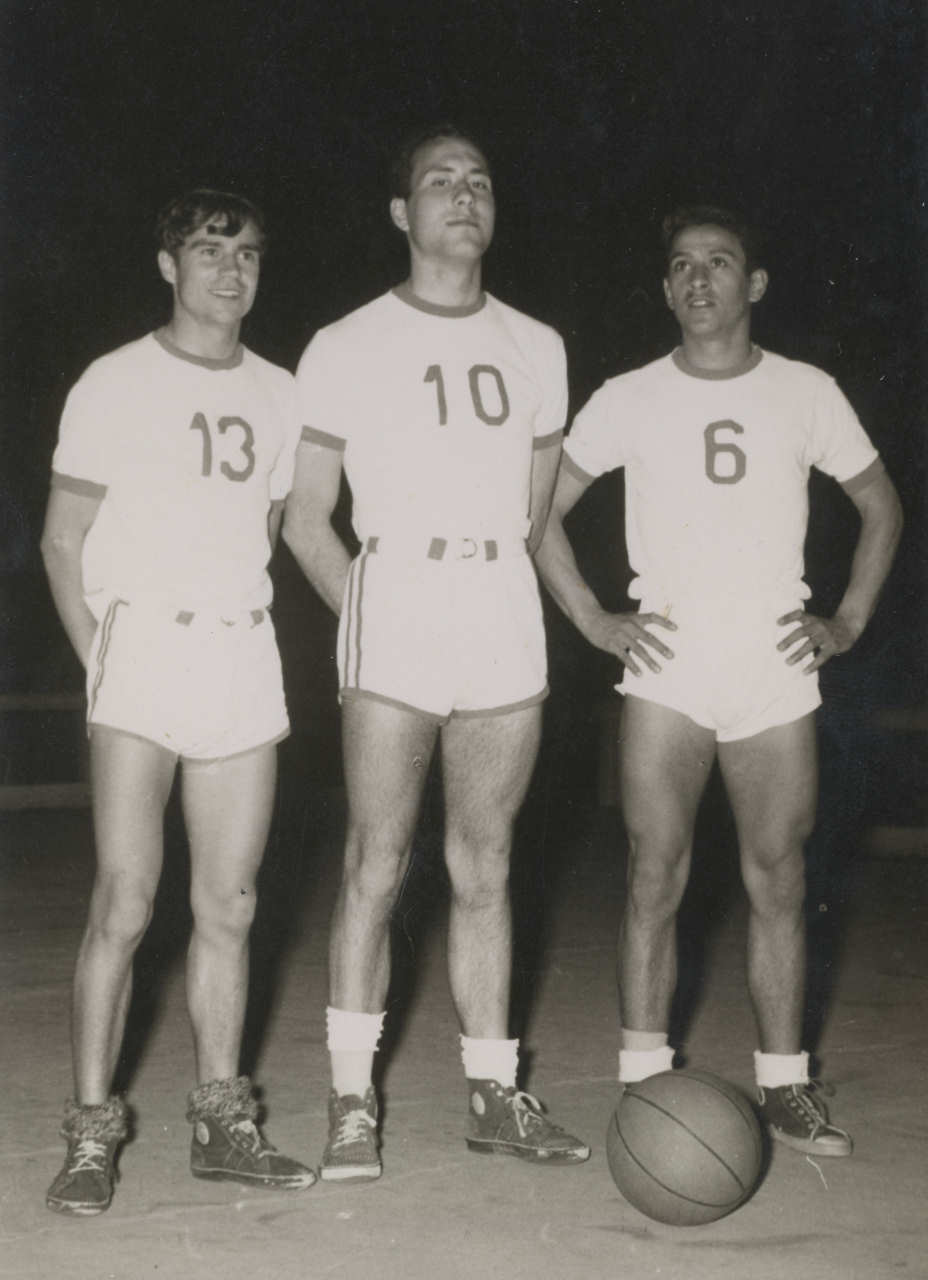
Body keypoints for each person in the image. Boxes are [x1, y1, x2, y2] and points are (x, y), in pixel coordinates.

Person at [534, 205, 902, 1157]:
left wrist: (849, 619)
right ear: (666, 289)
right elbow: (537, 512)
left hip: (773, 668)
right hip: (670, 668)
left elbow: (881, 505)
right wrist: (593, 618)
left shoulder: (806, 391)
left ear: (756, 283)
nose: (699, 279)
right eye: (682, 265)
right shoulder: (629, 396)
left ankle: (785, 1085)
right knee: (654, 872)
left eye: (721, 262)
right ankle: (643, 1082)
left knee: (778, 876)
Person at [283, 125, 590, 1180]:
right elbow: (306, 519)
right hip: (397, 599)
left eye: (479, 180)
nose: (463, 195)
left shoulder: (539, 345)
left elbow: (536, 514)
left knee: (485, 861)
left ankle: (494, 1090)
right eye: (439, 181)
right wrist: (370, 616)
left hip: (499, 601)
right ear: (400, 213)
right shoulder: (345, 342)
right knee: (376, 859)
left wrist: (566, 607)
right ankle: (350, 1101)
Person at [40, 189, 315, 1215]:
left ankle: (222, 1122)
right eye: (208, 250)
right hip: (142, 652)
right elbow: (60, 540)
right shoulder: (114, 381)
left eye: (247, 253)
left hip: (238, 652)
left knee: (231, 903)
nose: (231, 270)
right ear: (168, 265)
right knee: (125, 899)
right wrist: (101, 662)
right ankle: (90, 1132)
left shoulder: (281, 393)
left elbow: (266, 530)